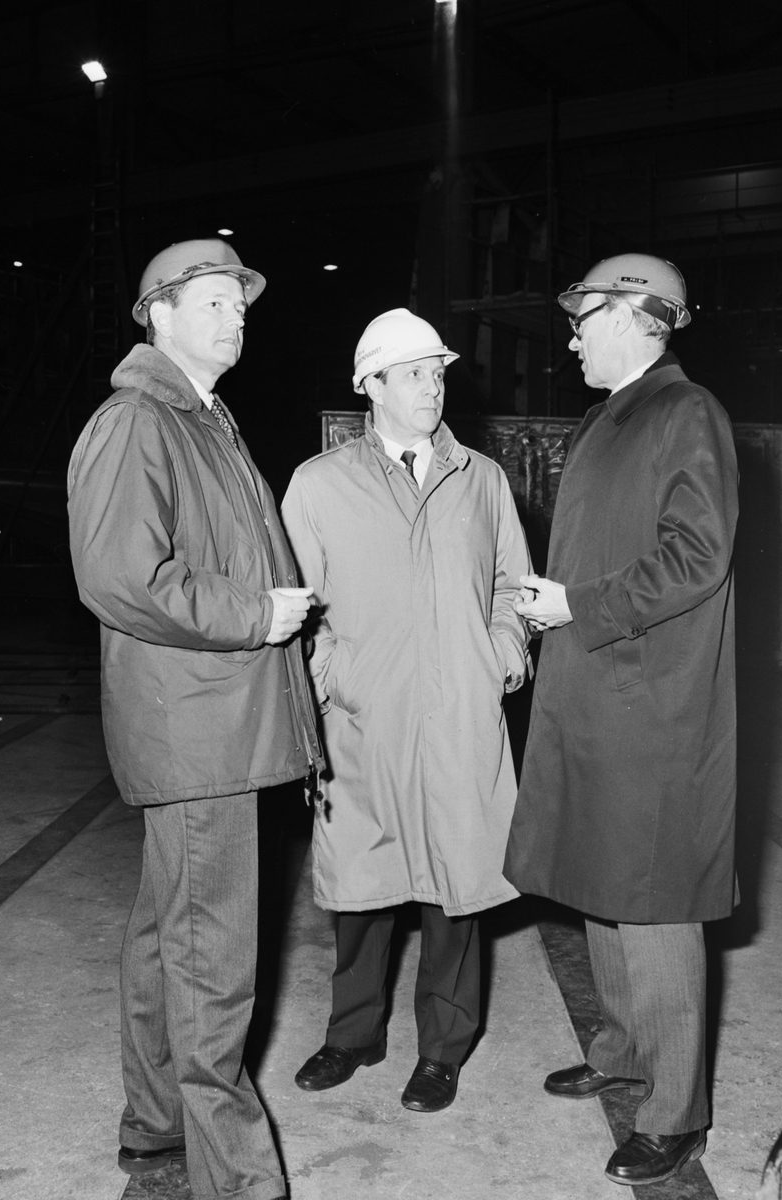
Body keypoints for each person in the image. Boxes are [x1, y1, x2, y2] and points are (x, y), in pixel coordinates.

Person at [67, 238, 322, 1200]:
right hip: (198, 729)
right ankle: (238, 1182)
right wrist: (257, 614)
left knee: (163, 938)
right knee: (213, 961)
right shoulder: (138, 422)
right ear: (158, 314)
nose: (234, 315)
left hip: (214, 720)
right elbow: (119, 577)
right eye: (212, 300)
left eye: (239, 302)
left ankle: (155, 1122)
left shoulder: (204, 419)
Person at [504, 255, 738, 1185]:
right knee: (603, 880)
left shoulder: (685, 413)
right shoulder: (609, 418)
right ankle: (622, 1050)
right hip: (597, 692)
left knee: (653, 901)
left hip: (651, 705)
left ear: (641, 317)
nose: (571, 338)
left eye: (584, 318)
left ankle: (675, 1111)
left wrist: (579, 606)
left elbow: (697, 557)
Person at [280, 308, 532, 1114]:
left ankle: (443, 1048)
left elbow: (511, 588)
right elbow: (300, 608)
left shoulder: (480, 480)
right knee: (361, 886)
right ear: (372, 386)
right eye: (414, 374)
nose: (432, 388)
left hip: (459, 712)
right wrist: (333, 679)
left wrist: (500, 656)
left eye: (438, 373)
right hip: (364, 716)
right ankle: (353, 1033)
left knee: (457, 887)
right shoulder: (319, 485)